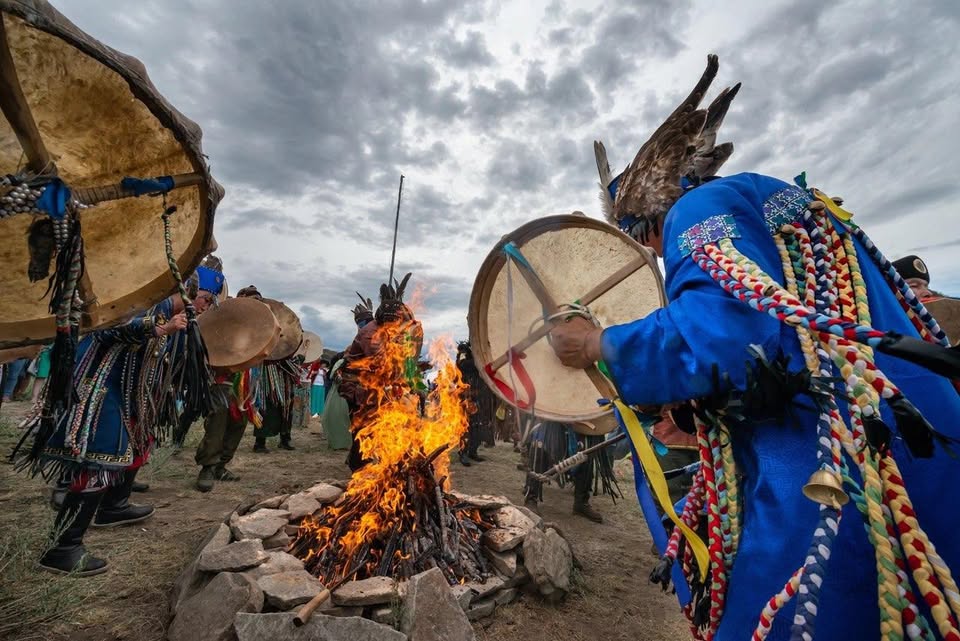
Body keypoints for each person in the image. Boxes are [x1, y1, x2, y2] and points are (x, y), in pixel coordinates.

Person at [550, 55, 960, 640]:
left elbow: (719, 333)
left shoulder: (697, 212)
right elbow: (779, 345)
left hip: (840, 467)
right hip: (909, 438)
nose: (655, 257)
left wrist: (597, 342)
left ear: (646, 220)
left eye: (639, 238)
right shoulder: (773, 206)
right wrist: (699, 418)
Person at [339, 275, 423, 471]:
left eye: (397, 321)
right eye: (392, 322)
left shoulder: (392, 330)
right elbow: (382, 363)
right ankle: (359, 470)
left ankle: (383, 464)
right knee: (364, 428)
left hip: (376, 386)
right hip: (360, 389)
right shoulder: (370, 333)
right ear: (383, 319)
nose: (395, 325)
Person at [455, 341, 487, 466]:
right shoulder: (464, 353)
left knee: (477, 426)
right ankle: (463, 453)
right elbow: (462, 364)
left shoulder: (478, 357)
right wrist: (477, 361)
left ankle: (473, 451)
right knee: (465, 428)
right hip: (465, 398)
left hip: (476, 397)